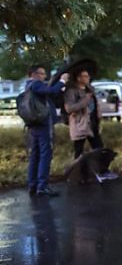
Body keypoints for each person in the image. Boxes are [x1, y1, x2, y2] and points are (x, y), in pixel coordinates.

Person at [64, 69, 118, 183]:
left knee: (99, 148)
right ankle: (78, 175)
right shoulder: (72, 92)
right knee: (79, 151)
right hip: (80, 123)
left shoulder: (90, 89)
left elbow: (95, 103)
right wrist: (85, 99)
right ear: (78, 78)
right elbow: (70, 108)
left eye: (88, 76)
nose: (87, 78)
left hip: (93, 123)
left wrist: (99, 114)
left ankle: (103, 171)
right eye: (85, 76)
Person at [24, 65, 67, 197]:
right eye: (42, 74)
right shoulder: (36, 84)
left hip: (34, 125)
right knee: (45, 155)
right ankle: (42, 187)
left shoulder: (28, 86)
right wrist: (62, 81)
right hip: (43, 125)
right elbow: (51, 92)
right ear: (35, 74)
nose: (44, 76)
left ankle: (33, 185)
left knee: (35, 155)